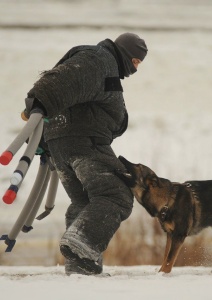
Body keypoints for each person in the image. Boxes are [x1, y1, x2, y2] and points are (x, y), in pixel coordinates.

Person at [23, 33, 148, 275]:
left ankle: (80, 266)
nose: (135, 68)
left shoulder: (105, 66)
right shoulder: (99, 59)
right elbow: (69, 77)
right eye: (135, 61)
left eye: (139, 64)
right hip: (85, 143)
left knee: (85, 200)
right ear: (124, 51)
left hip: (61, 144)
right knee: (116, 194)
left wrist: (40, 136)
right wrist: (40, 99)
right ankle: (82, 244)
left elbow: (71, 95)